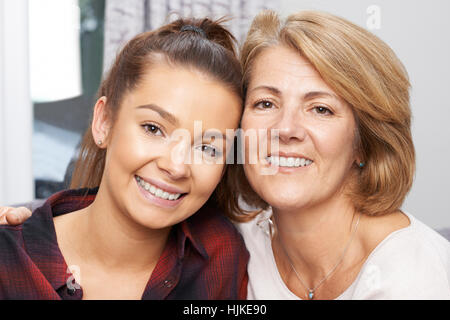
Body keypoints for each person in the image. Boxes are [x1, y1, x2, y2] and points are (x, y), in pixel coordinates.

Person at [0, 17, 249, 299]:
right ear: (104, 122)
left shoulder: (220, 256)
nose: (176, 166)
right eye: (153, 129)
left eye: (207, 148)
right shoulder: (8, 260)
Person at [222, 10, 450, 299]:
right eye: (265, 103)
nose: (286, 128)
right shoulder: (230, 247)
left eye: (321, 109)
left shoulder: (413, 274)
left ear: (364, 143)